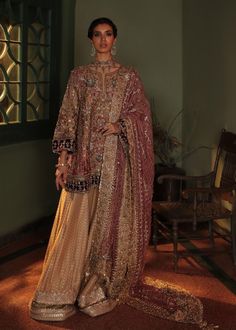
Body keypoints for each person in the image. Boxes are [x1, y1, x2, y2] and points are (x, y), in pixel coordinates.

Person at [29, 17, 208, 328]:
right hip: (83, 162)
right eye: (97, 35)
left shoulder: (128, 76)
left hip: (115, 163)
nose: (102, 40)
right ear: (90, 40)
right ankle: (67, 287)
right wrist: (62, 161)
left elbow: (141, 115)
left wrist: (120, 125)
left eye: (108, 35)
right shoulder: (79, 76)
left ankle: (96, 284)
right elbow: (68, 117)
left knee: (106, 221)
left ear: (115, 39)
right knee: (77, 223)